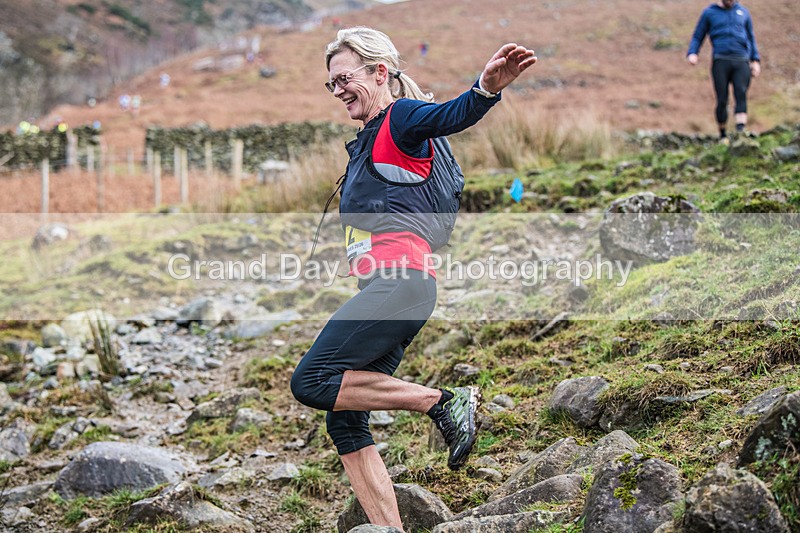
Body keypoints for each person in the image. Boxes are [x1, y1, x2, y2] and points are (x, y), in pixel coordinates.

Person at [289, 27, 536, 529]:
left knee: (311, 381)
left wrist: (485, 90)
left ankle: (443, 402)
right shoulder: (367, 143)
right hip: (396, 290)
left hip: (400, 285)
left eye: (344, 79)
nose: (337, 91)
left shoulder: (399, 119)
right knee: (344, 418)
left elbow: (449, 115)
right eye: (330, 84)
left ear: (380, 73)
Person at [687, 0, 761, 140]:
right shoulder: (709, 13)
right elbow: (698, 35)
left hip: (741, 59)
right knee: (722, 98)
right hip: (721, 60)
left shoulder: (743, 12)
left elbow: (751, 37)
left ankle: (740, 133)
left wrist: (755, 60)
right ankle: (723, 134)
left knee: (741, 93)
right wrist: (693, 53)